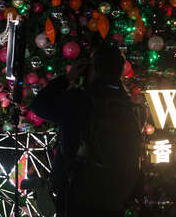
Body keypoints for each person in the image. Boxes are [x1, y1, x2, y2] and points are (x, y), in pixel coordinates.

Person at [27, 44, 145, 217]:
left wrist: (67, 78)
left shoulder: (80, 101)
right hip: (115, 199)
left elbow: (38, 106)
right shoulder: (132, 108)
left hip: (79, 195)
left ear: (94, 70)